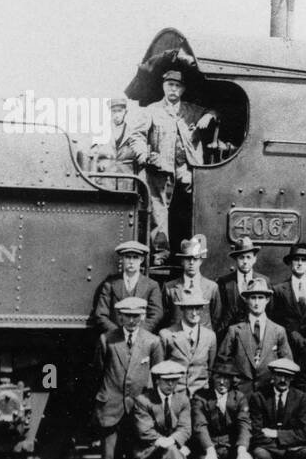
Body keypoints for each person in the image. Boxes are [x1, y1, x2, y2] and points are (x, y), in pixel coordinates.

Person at [91, 296, 163, 459]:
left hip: (138, 411)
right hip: (111, 408)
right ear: (120, 317)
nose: (132, 320)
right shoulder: (107, 340)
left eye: (136, 316)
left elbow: (156, 378)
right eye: (127, 316)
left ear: (143, 317)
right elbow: (98, 373)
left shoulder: (152, 342)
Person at [128, 67, 214, 245]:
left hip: (188, 168)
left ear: (183, 89)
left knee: (192, 207)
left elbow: (214, 111)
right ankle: (161, 252)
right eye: (170, 84)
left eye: (177, 85)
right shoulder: (151, 110)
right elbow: (136, 136)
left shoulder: (192, 110)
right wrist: (143, 154)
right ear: (164, 87)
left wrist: (209, 116)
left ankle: (190, 249)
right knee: (159, 210)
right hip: (160, 168)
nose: (173, 89)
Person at [190, 357, 255, 459]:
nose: (222, 382)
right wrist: (209, 450)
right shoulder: (201, 397)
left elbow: (244, 424)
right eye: (218, 377)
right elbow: (199, 426)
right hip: (208, 445)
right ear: (212, 378)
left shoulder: (239, 397)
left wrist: (241, 450)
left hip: (230, 446)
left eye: (226, 378)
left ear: (232, 380)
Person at [217, 277, 290, 395]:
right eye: (253, 298)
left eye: (260, 297)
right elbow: (222, 361)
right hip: (240, 392)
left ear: (267, 300)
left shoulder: (278, 331)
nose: (256, 302)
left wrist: (275, 381)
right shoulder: (235, 330)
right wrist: (234, 379)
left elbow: (287, 363)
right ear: (246, 300)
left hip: (268, 393)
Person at [91, 240, 163, 336]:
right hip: (115, 338)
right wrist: (119, 334)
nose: (131, 261)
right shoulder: (110, 284)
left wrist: (139, 334)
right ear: (122, 259)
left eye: (135, 257)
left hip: (141, 338)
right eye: (128, 257)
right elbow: (101, 314)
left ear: (141, 260)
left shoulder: (152, 285)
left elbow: (156, 314)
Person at [158, 290, 217, 397]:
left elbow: (210, 368)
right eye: (190, 308)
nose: (194, 313)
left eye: (198, 308)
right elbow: (159, 369)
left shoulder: (210, 336)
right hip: (175, 395)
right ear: (182, 309)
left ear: (203, 309)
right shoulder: (167, 335)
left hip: (201, 397)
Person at [161, 235, 221, 329]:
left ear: (201, 260)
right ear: (182, 261)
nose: (192, 262)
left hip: (203, 340)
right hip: (177, 338)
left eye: (195, 258)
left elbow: (216, 318)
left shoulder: (212, 287)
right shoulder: (170, 288)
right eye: (188, 259)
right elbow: (165, 318)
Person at [215, 238, 271, 334]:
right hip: (231, 334)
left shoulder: (264, 281)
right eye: (241, 257)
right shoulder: (224, 282)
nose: (245, 261)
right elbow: (220, 314)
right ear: (236, 259)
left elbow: (270, 312)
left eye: (248, 257)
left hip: (257, 333)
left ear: (254, 259)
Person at [269, 242, 306, 334]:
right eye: (296, 259)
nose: (300, 263)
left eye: (303, 260)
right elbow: (273, 320)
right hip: (287, 341)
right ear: (290, 262)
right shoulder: (278, 290)